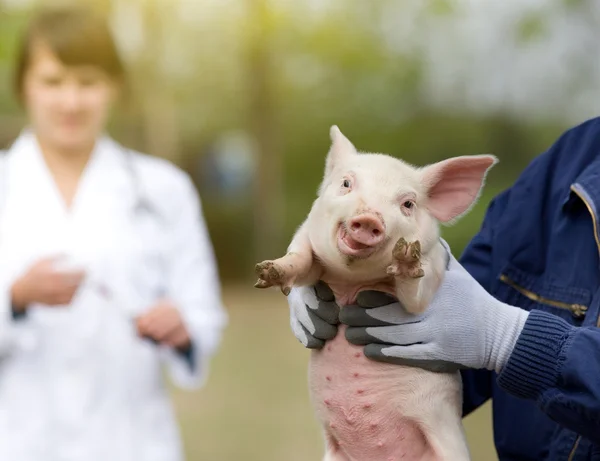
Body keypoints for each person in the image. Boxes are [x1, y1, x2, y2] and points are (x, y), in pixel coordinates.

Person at [288, 116, 600, 460]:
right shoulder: (566, 162)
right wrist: (328, 272)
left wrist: (514, 340)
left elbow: (482, 330)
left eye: (406, 204)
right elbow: (453, 317)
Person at [0, 5, 227, 461]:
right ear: (23, 85)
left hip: (132, 442)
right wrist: (15, 298)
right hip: (21, 439)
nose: (70, 101)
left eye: (87, 82)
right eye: (53, 81)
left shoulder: (163, 189)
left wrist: (180, 327)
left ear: (114, 87)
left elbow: (202, 312)